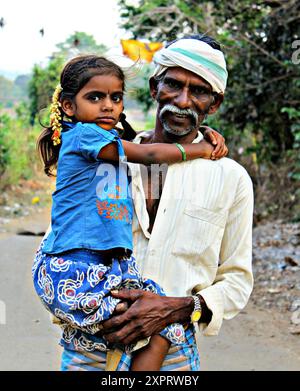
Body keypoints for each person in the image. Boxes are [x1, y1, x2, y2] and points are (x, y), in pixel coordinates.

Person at [32, 55, 228, 371]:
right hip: (77, 268)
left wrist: (202, 131)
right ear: (69, 106)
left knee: (156, 313)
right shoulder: (86, 136)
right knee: (154, 320)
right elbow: (149, 153)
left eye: (116, 97)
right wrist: (200, 148)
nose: (108, 106)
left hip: (95, 266)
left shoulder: (108, 142)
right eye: (95, 97)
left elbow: (144, 145)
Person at [99, 34, 254, 370]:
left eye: (199, 91)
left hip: (172, 359)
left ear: (214, 104)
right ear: (155, 88)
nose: (183, 101)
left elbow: (237, 282)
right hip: (93, 347)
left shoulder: (230, 179)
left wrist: (175, 309)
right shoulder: (108, 164)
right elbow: (64, 246)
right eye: (173, 85)